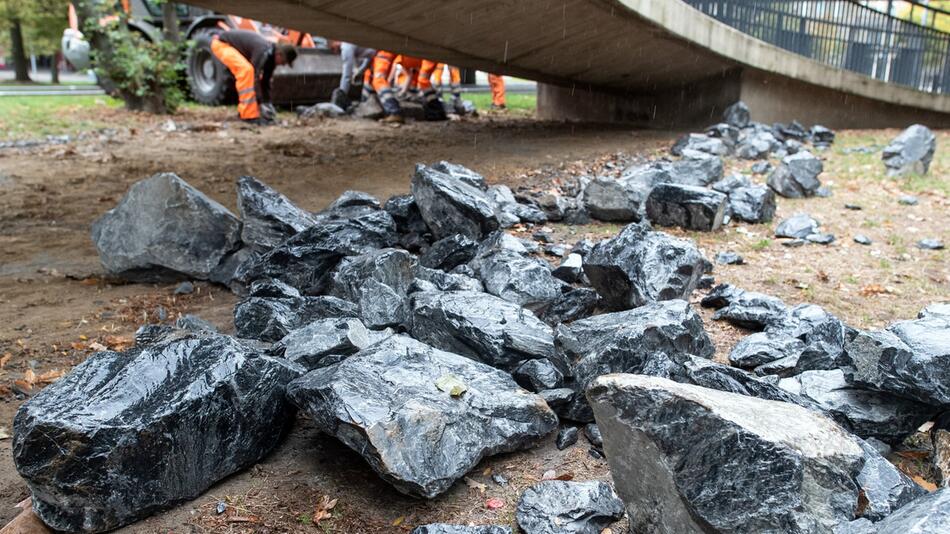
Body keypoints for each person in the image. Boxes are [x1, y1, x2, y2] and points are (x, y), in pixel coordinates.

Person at [211, 29, 297, 124]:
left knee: (249, 72)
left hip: (228, 45)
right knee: (247, 71)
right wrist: (260, 103)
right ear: (279, 55)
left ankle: (246, 112)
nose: (283, 65)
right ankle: (248, 115)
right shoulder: (263, 52)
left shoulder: (270, 58)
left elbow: (265, 81)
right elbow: (254, 79)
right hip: (221, 44)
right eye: (284, 62)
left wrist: (267, 103)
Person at [333, 42, 375, 110]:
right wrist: (360, 70)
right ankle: (366, 105)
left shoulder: (346, 47)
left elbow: (347, 74)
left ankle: (392, 110)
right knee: (369, 82)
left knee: (378, 81)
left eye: (333, 48)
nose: (334, 52)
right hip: (374, 57)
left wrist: (341, 94)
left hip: (380, 55)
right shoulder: (351, 45)